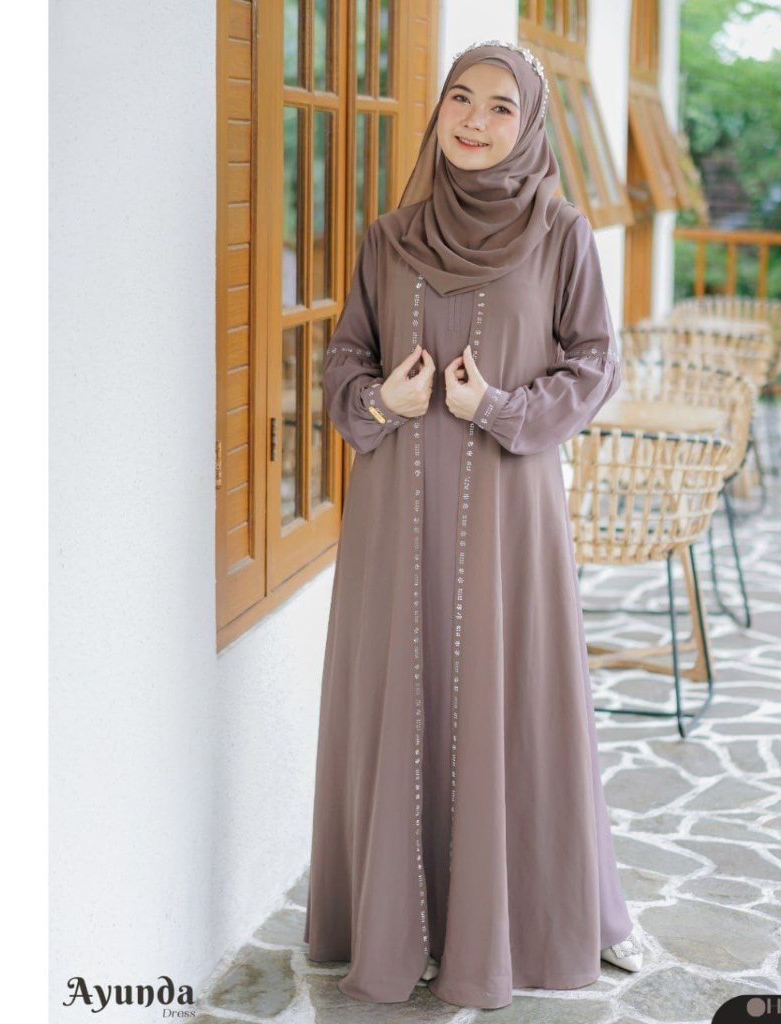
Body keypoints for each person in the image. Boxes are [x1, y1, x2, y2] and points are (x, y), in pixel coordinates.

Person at [302, 39, 644, 1010]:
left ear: (527, 126)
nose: (475, 121)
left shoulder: (560, 232)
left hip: (507, 512)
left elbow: (594, 364)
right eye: (461, 98)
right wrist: (385, 402)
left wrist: (496, 406)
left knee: (512, 697)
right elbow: (344, 359)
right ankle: (394, 927)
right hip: (395, 515)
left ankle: (521, 925)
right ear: (439, 110)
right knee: (400, 690)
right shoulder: (388, 238)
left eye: (501, 107)